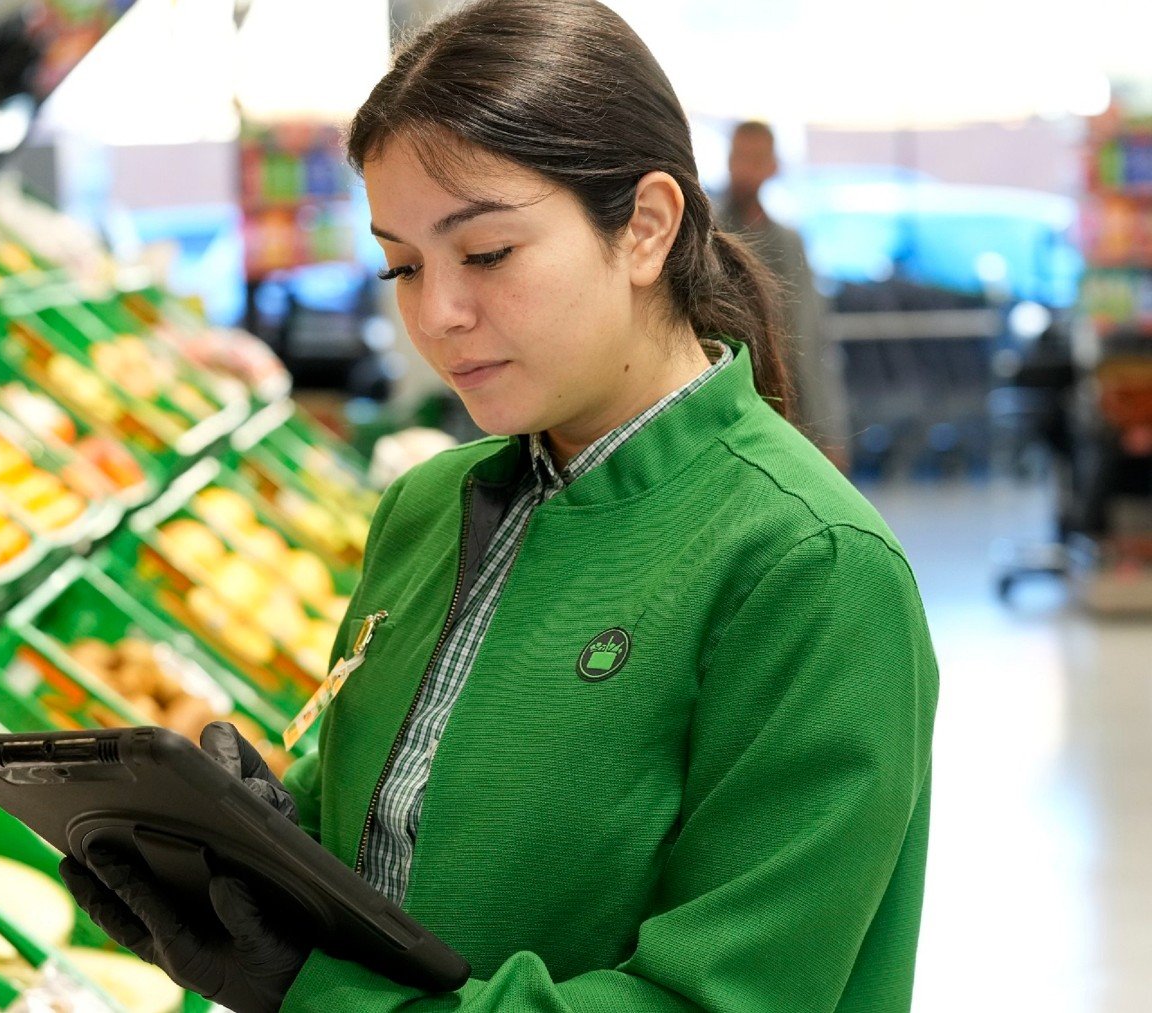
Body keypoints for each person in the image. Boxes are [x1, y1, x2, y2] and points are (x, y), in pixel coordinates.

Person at [57, 2, 939, 1010]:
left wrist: (317, 989)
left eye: (487, 254)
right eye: (402, 264)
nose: (437, 313)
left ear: (646, 225)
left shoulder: (811, 567)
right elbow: (404, 842)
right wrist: (267, 846)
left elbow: (718, 998)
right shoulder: (429, 505)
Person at [719, 120, 851, 467]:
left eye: (755, 159)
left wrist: (831, 435)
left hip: (782, 413)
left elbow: (810, 342)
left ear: (773, 167)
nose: (744, 169)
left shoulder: (789, 245)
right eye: (738, 156)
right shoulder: (706, 233)